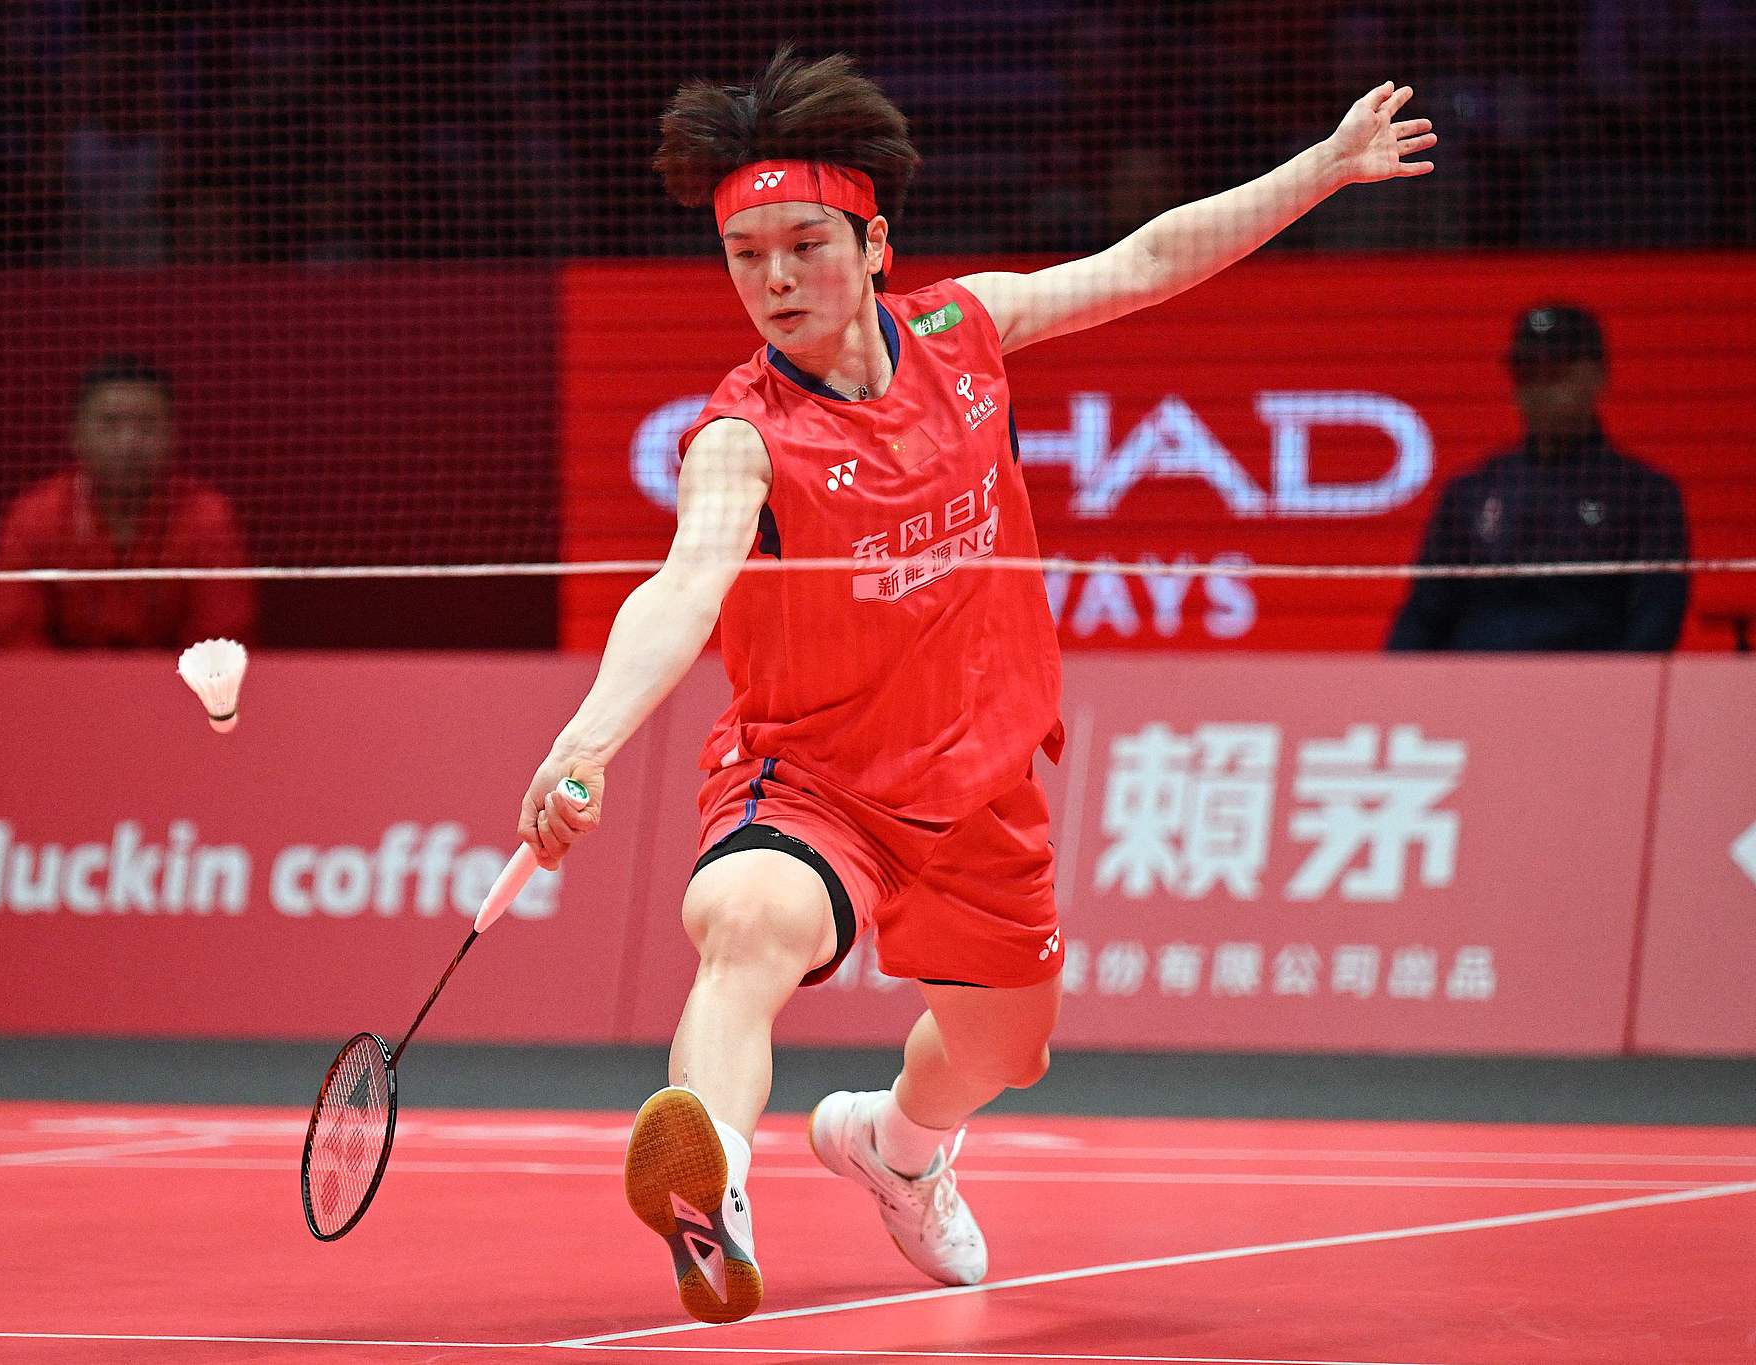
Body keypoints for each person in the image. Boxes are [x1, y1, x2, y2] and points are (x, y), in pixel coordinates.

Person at [516, 48, 1436, 1323]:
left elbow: (1143, 262)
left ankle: (893, 1147)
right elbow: (680, 590)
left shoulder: (963, 331)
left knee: (1007, 1051)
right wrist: (588, 740)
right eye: (746, 257)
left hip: (981, 780)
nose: (776, 280)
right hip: (812, 781)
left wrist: (1321, 170)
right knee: (744, 927)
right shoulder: (741, 438)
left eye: (804, 245)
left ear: (873, 241)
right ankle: (709, 1191)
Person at [1387, 304, 1689, 651]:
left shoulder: (1643, 493)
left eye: (1555, 372)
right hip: (1473, 688)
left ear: (1597, 376)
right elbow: (1424, 613)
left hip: (1592, 688)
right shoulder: (1471, 491)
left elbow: (1657, 615)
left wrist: (1620, 693)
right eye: (1527, 374)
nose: (1539, 390)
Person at [0, 355, 255, 649]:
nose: (128, 443)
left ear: (173, 435)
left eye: (147, 426)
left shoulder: (208, 517)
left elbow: (221, 639)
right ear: (77, 434)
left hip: (173, 688)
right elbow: (10, 637)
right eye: (110, 424)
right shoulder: (35, 516)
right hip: (61, 688)